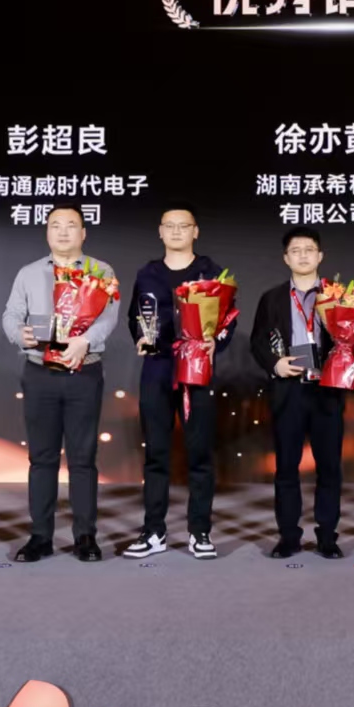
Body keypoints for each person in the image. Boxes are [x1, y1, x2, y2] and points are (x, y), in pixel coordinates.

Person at [1, 203, 120, 564]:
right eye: (56, 225)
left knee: (83, 458)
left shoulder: (101, 271)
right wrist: (19, 334)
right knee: (42, 457)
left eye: (71, 225)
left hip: (84, 371)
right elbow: (11, 314)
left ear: (83, 233)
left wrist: (86, 341)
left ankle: (85, 536)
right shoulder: (29, 273)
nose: (63, 231)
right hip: (39, 372)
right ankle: (40, 536)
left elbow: (109, 316)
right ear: (47, 232)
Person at [124, 204, 230, 561]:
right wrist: (140, 336)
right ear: (160, 231)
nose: (176, 231)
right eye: (169, 225)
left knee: (200, 453)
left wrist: (217, 342)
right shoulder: (148, 273)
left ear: (195, 231)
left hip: (196, 367)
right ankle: (153, 531)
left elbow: (227, 319)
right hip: (157, 367)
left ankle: (200, 532)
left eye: (183, 226)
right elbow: (135, 316)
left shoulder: (210, 272)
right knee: (155, 453)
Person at [249, 226, 344, 560]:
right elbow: (258, 341)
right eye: (296, 250)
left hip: (327, 389)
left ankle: (327, 537)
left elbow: (353, 337)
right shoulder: (272, 298)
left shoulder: (338, 296)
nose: (303, 255)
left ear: (320, 256)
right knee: (287, 467)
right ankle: (289, 537)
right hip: (288, 389)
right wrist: (275, 364)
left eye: (309, 249)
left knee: (329, 467)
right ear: (286, 258)